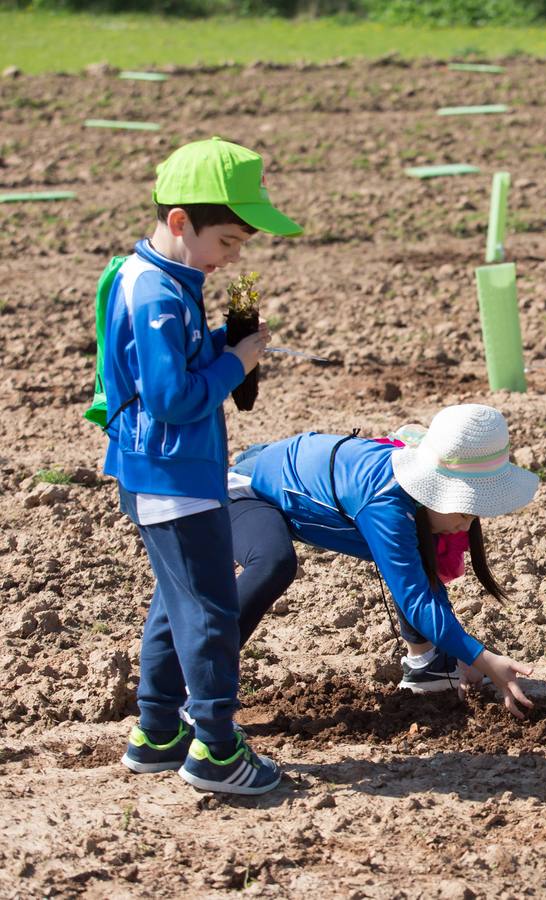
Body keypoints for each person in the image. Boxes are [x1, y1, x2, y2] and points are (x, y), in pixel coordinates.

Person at [104, 137, 303, 795]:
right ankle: (215, 748)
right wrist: (234, 365)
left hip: (167, 472)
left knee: (175, 603)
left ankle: (158, 731)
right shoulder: (158, 293)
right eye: (228, 242)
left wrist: (223, 342)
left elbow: (172, 370)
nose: (232, 258)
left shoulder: (162, 278)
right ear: (181, 222)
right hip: (175, 476)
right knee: (211, 611)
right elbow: (173, 397)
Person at [225, 404, 540, 719]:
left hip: (285, 476)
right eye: (462, 511)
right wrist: (482, 658)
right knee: (274, 562)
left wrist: (466, 653)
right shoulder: (386, 505)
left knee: (415, 550)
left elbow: (419, 581)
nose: (466, 526)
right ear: (433, 487)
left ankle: (427, 664)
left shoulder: (413, 499)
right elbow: (415, 597)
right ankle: (200, 679)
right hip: (246, 492)